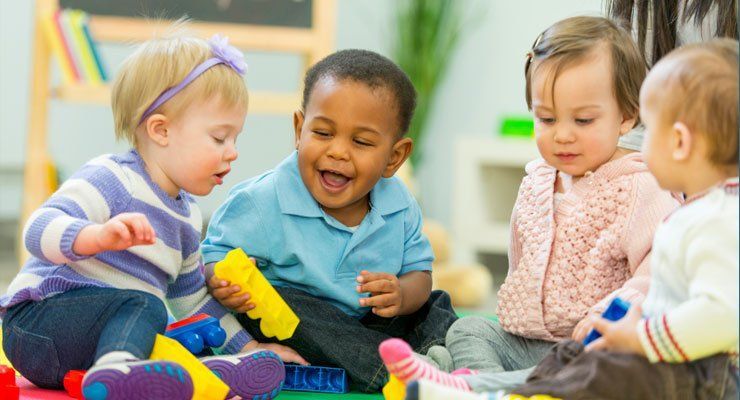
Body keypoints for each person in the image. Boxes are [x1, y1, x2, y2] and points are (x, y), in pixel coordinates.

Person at [378, 16, 680, 395]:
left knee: (599, 372)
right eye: (546, 118)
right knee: (469, 328)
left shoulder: (641, 186)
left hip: (596, 345)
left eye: (583, 120)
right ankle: (482, 385)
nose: (563, 135)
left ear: (626, 115)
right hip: (530, 343)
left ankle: (462, 381)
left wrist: (613, 315)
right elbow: (520, 260)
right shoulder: (537, 182)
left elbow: (659, 272)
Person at [0, 29, 287, 399]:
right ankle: (118, 371)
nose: (232, 152)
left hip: (95, 341)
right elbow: (37, 232)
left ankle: (201, 372)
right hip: (37, 327)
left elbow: (194, 300)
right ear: (161, 130)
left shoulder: (187, 217)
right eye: (219, 138)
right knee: (145, 306)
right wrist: (96, 237)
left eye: (236, 139)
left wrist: (248, 347)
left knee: (169, 324)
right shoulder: (113, 178)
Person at [200, 49, 458, 393]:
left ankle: (447, 361)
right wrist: (221, 280)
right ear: (299, 128)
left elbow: (420, 275)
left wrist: (401, 293)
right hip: (301, 327)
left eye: (361, 142)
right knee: (286, 304)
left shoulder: (399, 204)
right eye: (322, 133)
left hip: (370, 324)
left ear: (394, 158)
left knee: (434, 303)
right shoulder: (262, 201)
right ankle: (399, 374)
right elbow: (212, 257)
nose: (337, 151)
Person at [508, 37, 739, 400]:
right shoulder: (702, 210)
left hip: (709, 374)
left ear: (678, 143)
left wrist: (642, 338)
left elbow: (724, 317)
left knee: (607, 367)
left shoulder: (718, 222)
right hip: (674, 356)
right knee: (575, 352)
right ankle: (515, 392)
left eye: (648, 133)